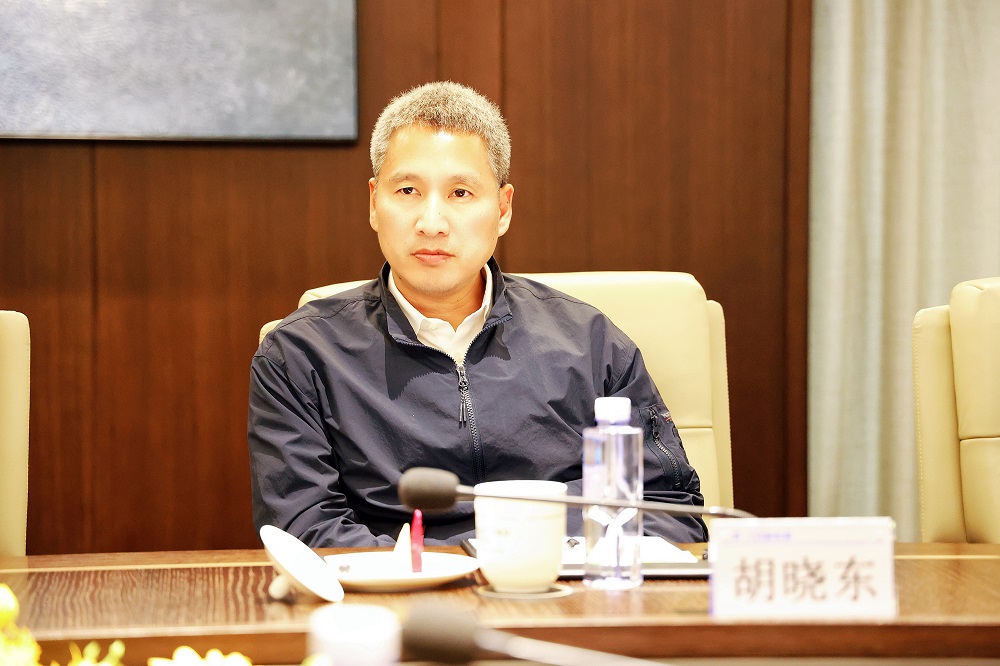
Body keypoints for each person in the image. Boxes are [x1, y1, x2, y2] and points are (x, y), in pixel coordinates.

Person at [248, 81, 708, 546]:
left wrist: (537, 552)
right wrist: (463, 563)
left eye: (461, 193)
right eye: (407, 190)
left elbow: (671, 510)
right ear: (373, 203)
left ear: (503, 209)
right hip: (404, 589)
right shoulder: (300, 357)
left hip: (563, 584)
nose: (431, 223)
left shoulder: (592, 343)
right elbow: (304, 532)